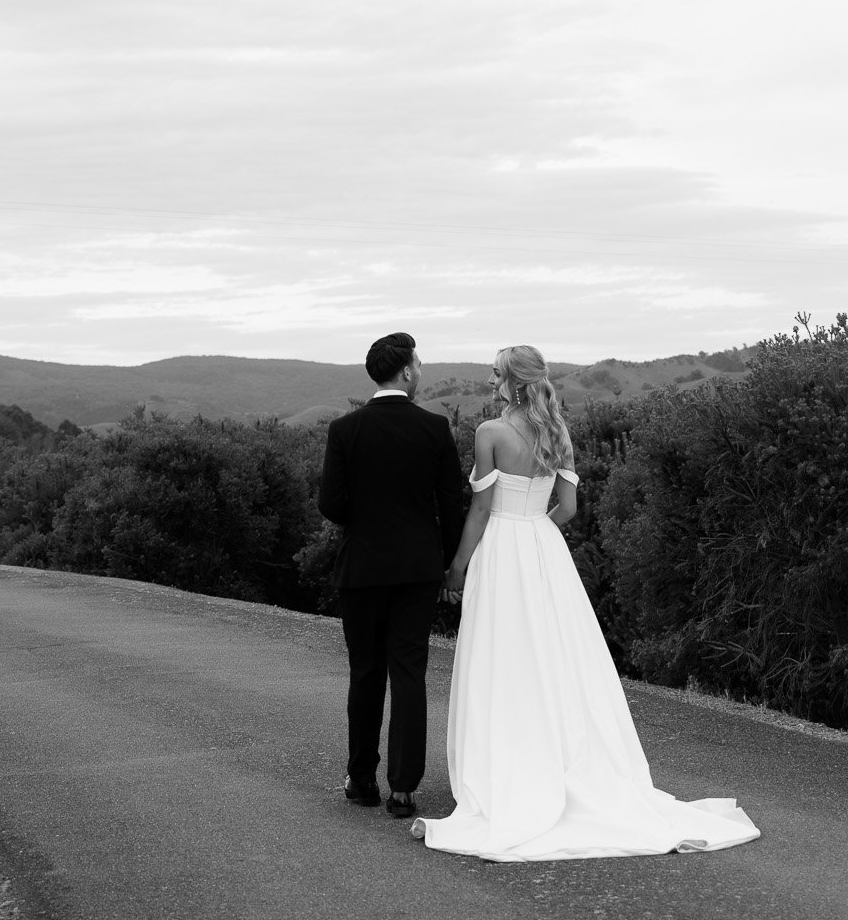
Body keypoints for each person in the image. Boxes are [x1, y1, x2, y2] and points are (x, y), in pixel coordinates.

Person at [415, 345, 761, 861]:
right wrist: (535, 535)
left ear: (512, 381)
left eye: (494, 375)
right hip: (545, 550)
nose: (489, 382)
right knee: (559, 657)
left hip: (502, 551)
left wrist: (461, 566)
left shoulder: (490, 434)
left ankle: (506, 767)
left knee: (504, 654)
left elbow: (481, 510)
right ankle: (562, 760)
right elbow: (569, 508)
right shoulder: (558, 432)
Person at [318, 331, 465, 817]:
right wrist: (448, 565)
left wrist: (368, 521)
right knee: (409, 673)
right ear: (406, 371)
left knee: (365, 673)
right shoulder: (434, 427)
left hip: (361, 569)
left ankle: (361, 781)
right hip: (418, 569)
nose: (421, 371)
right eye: (419, 364)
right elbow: (450, 503)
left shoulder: (345, 430)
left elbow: (331, 505)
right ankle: (402, 789)